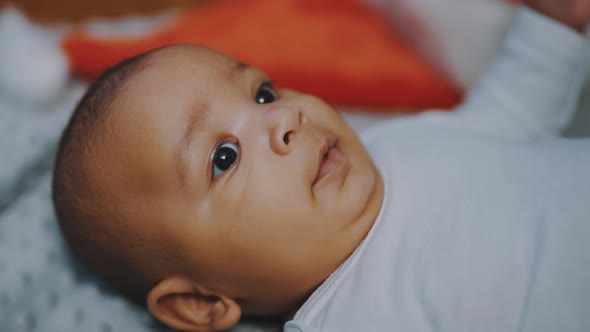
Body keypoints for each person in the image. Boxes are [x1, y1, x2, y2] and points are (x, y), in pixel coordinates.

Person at [52, 0, 590, 331]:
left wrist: (550, 24)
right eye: (224, 157)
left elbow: (509, 114)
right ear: (199, 302)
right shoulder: (353, 319)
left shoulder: (398, 142)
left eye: (262, 94)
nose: (285, 116)